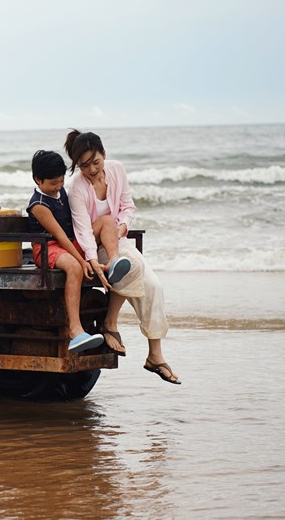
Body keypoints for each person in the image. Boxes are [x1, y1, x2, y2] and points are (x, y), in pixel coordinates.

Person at [64, 129, 181, 384]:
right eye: (84, 166)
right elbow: (83, 229)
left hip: (117, 240)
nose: (92, 169)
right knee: (133, 268)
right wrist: (93, 259)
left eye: (95, 162)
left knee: (154, 286)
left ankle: (155, 355)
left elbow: (128, 206)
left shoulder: (117, 170)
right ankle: (109, 323)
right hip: (94, 245)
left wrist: (122, 227)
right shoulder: (77, 188)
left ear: (103, 154)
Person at [27, 150, 109, 353]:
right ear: (38, 180)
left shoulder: (61, 192)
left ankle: (113, 263)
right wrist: (82, 261)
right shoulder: (39, 205)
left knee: (105, 222)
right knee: (74, 267)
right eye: (53, 183)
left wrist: (89, 249)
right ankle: (75, 330)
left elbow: (76, 227)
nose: (58, 187)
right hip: (48, 248)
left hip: (70, 243)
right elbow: (60, 237)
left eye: (61, 181)